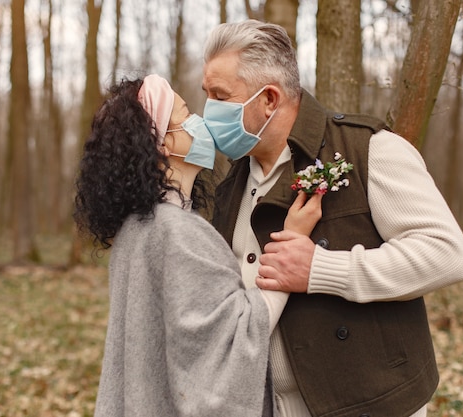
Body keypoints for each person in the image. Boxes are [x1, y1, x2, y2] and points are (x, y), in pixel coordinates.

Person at [201, 20, 463, 417]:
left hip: (372, 405)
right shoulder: (232, 184)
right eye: (206, 94)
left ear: (269, 99)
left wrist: (321, 269)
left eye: (219, 96)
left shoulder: (368, 150)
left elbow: (448, 254)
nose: (209, 109)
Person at [72, 74, 323, 417]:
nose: (200, 122)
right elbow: (233, 338)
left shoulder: (137, 227)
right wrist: (292, 239)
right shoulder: (177, 232)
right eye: (185, 115)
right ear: (163, 143)